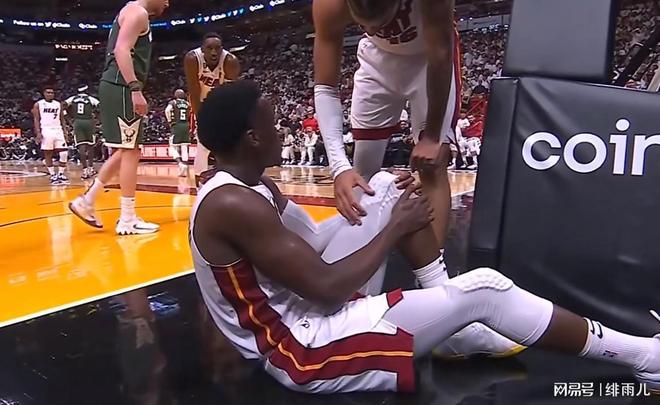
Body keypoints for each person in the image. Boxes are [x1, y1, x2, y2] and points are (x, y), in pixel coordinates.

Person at [191, 81, 659, 394]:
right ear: (253, 138)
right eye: (272, 124)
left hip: (307, 313)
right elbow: (325, 286)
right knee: (486, 289)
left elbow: (310, 245)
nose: (282, 130)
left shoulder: (253, 186)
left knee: (387, 188)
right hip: (298, 350)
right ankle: (643, 358)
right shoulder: (233, 204)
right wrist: (394, 226)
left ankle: (453, 323)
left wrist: (385, 207)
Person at [313, 0, 460, 247]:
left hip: (428, 58)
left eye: (379, 23)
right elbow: (325, 87)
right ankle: (359, 257)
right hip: (377, 60)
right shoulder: (329, 4)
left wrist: (432, 137)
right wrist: (338, 167)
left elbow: (440, 56)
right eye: (363, 24)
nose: (370, 30)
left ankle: (434, 267)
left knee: (433, 165)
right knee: (362, 171)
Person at [68, 0, 169, 234]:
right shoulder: (138, 12)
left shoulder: (130, 10)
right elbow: (121, 50)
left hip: (116, 86)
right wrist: (135, 88)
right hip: (122, 86)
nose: (167, 3)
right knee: (131, 151)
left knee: (125, 149)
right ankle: (127, 218)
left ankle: (87, 201)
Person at [184, 32, 241, 186]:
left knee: (229, 139)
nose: (214, 52)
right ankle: (200, 184)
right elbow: (194, 92)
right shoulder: (192, 59)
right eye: (209, 48)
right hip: (201, 100)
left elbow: (229, 94)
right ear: (202, 49)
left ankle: (232, 179)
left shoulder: (230, 61)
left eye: (217, 48)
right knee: (203, 143)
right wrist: (201, 119)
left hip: (221, 100)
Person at [33, 86, 69, 185]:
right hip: (46, 130)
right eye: (48, 92)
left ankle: (61, 173)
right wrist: (38, 133)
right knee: (48, 153)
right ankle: (53, 174)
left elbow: (62, 119)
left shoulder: (58, 104)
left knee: (64, 153)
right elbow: (36, 119)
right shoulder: (38, 104)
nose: (50, 94)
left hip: (58, 129)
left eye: (52, 93)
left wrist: (65, 132)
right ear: (44, 94)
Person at [63, 85, 100, 180]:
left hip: (77, 122)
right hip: (88, 122)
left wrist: (68, 119)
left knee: (81, 146)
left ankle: (84, 170)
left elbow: (62, 106)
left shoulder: (72, 98)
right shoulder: (90, 98)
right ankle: (91, 168)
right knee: (90, 145)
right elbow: (101, 107)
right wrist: (97, 118)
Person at [165, 89, 192, 177]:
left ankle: (180, 163)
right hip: (186, 125)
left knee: (172, 146)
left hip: (177, 125)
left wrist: (170, 120)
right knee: (184, 146)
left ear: (175, 95)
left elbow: (167, 110)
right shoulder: (188, 104)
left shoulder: (173, 102)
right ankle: (185, 165)